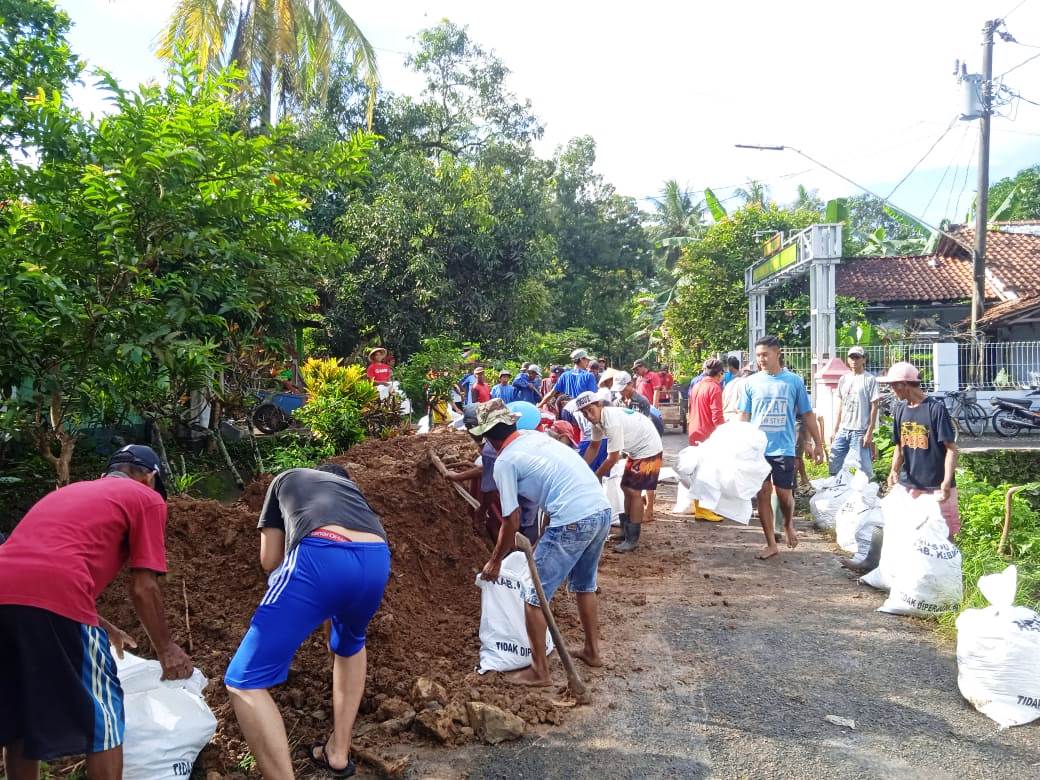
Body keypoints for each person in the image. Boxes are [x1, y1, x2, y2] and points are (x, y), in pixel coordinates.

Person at [0, 445, 193, 780]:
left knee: (17, 716)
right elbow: (143, 587)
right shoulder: (147, 498)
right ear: (150, 476)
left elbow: (35, 568)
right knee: (103, 714)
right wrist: (166, 649)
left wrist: (104, 625)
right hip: (56, 593)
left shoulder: (67, 493)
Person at [225, 463, 390, 779]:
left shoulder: (286, 479)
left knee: (243, 681)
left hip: (319, 554)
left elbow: (270, 561)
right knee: (350, 644)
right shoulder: (352, 494)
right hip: (377, 558)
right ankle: (338, 753)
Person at [472, 402, 612, 686]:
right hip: (601, 509)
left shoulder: (505, 461)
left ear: (488, 437)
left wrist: (495, 560)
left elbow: (511, 521)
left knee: (532, 597)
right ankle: (592, 651)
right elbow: (555, 482)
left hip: (573, 519)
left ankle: (539, 671)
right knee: (585, 585)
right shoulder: (534, 438)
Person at [739, 336, 825, 560]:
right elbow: (743, 416)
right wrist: (739, 443)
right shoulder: (750, 383)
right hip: (758, 450)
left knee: (785, 494)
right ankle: (770, 543)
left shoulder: (793, 382)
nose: (761, 360)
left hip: (784, 448)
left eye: (765, 354)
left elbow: (807, 414)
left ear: (778, 352)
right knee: (763, 494)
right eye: (758, 356)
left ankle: (787, 524)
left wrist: (818, 443)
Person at [575, 392, 664, 553]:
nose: (588, 415)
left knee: (634, 491)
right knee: (625, 487)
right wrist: (580, 468)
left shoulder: (611, 422)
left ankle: (632, 539)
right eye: (584, 413)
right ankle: (625, 530)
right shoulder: (597, 422)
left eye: (590, 410)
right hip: (636, 450)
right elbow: (593, 447)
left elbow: (612, 458)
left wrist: (595, 477)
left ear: (599, 405)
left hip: (648, 448)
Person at [880, 362, 960, 537]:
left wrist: (946, 482)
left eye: (893, 386)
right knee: (911, 533)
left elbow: (952, 449)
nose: (892, 391)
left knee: (943, 534)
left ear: (904, 385)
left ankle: (950, 565)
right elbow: (900, 446)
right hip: (911, 485)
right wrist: (893, 470)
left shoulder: (935, 409)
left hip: (936, 487)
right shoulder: (900, 410)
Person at [830, 346, 880, 478]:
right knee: (834, 463)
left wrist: (869, 432)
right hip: (844, 429)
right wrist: (835, 429)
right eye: (852, 357)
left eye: (857, 357)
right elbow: (840, 405)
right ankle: (837, 489)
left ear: (863, 359)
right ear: (847, 359)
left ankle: (866, 493)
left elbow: (874, 406)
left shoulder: (869, 379)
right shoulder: (844, 379)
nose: (854, 360)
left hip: (860, 430)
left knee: (864, 469)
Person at [687, 358, 725, 446]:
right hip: (708, 437)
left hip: (693, 432)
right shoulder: (714, 388)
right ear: (720, 373)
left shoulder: (696, 386)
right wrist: (724, 433)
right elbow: (717, 417)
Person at [613, 371, 664, 436]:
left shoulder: (642, 402)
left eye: (623, 389)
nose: (621, 392)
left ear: (630, 384)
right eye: (619, 390)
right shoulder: (617, 403)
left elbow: (645, 425)